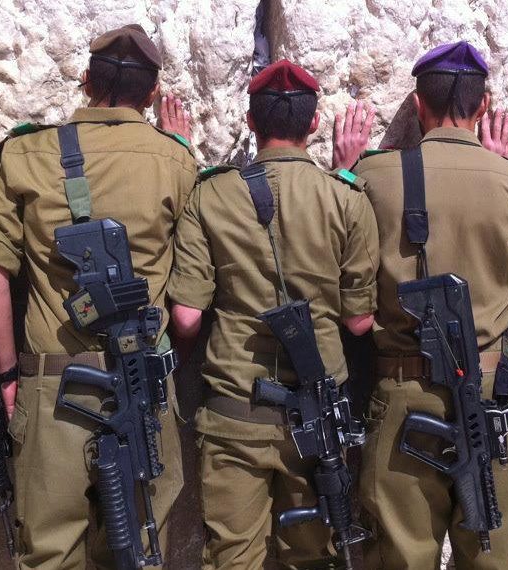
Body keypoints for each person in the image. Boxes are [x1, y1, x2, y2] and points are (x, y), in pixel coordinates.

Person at [0, 24, 195, 569]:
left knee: (49, 553)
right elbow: (189, 294)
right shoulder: (176, 162)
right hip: (143, 384)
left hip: (53, 385)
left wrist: (6, 379)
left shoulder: (24, 153)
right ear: (154, 94)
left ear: (86, 80)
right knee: (141, 548)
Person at [332, 41, 508, 570]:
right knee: (488, 554)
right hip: (492, 396)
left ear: (419, 105)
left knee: (399, 556)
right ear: (484, 105)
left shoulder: (374, 178)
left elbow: (337, 230)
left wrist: (346, 169)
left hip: (406, 392)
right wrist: (496, 171)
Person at [169, 59, 379, 569]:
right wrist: (345, 170)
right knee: (311, 558)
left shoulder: (210, 194)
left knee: (231, 559)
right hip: (318, 419)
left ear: (249, 119)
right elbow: (358, 323)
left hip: (235, 415)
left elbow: (187, 320)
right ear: (313, 124)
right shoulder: (348, 199)